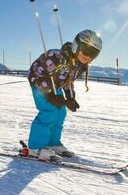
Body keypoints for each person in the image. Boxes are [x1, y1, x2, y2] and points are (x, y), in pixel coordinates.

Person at [26, 29, 102, 162]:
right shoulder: (56, 56)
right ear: (77, 46)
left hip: (56, 86)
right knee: (49, 111)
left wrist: (70, 97)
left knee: (60, 112)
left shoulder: (79, 65)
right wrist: (49, 94)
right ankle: (35, 147)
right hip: (40, 84)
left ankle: (53, 143)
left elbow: (68, 81)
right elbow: (37, 74)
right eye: (86, 50)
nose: (88, 56)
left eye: (93, 54)